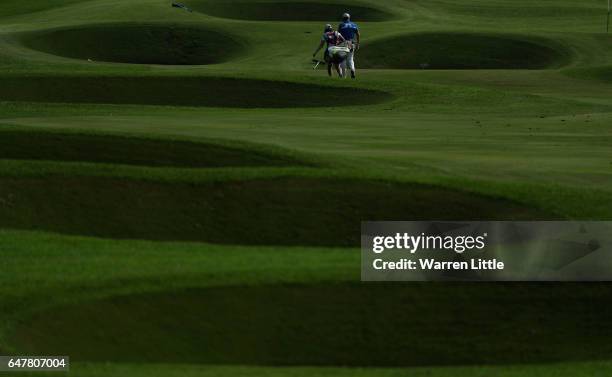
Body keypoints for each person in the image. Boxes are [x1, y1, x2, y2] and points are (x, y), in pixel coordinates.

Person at [338, 12, 360, 79]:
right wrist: (358, 43)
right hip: (352, 43)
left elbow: (338, 34)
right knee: (350, 59)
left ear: (343, 18)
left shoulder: (341, 25)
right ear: (349, 18)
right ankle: (352, 70)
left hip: (343, 43)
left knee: (343, 59)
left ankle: (344, 76)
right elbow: (358, 34)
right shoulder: (354, 24)